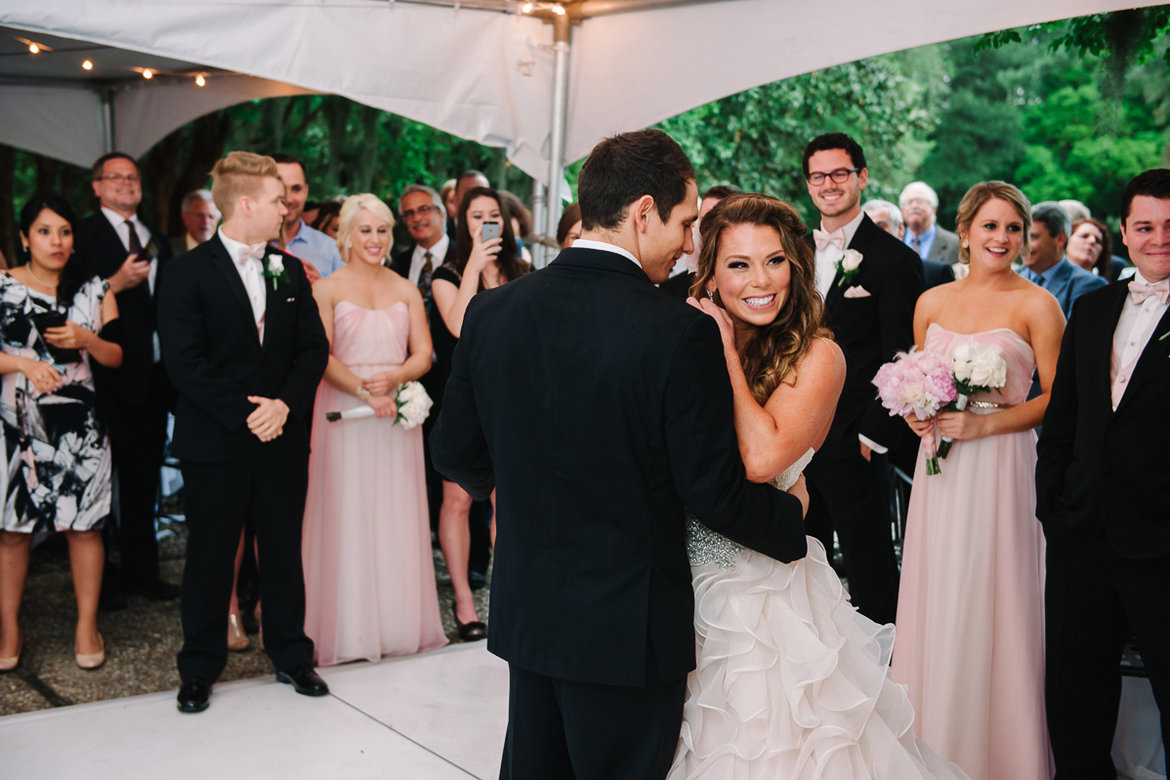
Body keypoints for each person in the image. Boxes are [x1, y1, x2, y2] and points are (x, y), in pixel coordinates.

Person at [431, 129, 809, 780]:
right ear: (642, 213)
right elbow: (710, 489)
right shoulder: (678, 331)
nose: (690, 244)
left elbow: (455, 452)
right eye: (686, 222)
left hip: (529, 609)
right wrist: (794, 521)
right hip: (625, 630)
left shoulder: (493, 312)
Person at [669, 192, 965, 779]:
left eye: (774, 261)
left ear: (796, 267)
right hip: (678, 577)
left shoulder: (819, 354)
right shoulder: (680, 334)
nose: (761, 280)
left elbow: (759, 456)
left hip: (761, 596)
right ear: (710, 274)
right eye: (738, 264)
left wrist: (723, 348)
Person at [892, 181, 1065, 779]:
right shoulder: (931, 301)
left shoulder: (1037, 305)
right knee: (940, 590)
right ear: (964, 231)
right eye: (990, 226)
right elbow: (919, 377)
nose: (1002, 239)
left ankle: (1004, 755)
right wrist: (918, 412)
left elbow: (1062, 399)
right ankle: (934, 746)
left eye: (1013, 229)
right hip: (940, 471)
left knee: (998, 595)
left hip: (1004, 466)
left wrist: (986, 427)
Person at [159, 151, 331, 714]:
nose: (288, 207)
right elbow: (184, 363)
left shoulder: (287, 268)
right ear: (247, 203)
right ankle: (199, 668)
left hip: (281, 436)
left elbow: (313, 349)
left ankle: (292, 655)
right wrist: (247, 412)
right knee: (210, 554)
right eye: (280, 198)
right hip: (216, 439)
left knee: (282, 549)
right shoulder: (186, 271)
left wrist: (282, 406)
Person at [1037, 168, 1170, 778]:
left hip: (1161, 542)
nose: (1158, 238)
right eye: (1145, 226)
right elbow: (1063, 417)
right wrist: (1054, 504)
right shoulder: (1091, 309)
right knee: (1076, 699)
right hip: (1081, 532)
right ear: (1125, 230)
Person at [301, 194, 447, 666]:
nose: (375, 239)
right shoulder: (326, 288)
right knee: (345, 510)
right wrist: (368, 393)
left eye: (382, 230)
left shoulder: (405, 288)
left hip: (395, 416)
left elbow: (423, 353)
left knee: (393, 511)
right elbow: (320, 357)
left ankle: (396, 626)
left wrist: (397, 379)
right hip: (344, 412)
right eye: (365, 230)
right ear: (345, 234)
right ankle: (346, 632)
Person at [800, 132, 923, 625]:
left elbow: (901, 353)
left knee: (869, 564)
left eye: (839, 173)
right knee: (805, 562)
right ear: (808, 184)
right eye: (818, 176)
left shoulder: (895, 260)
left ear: (861, 177)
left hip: (855, 439)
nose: (829, 184)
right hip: (795, 437)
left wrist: (873, 433)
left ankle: (884, 676)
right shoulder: (792, 254)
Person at [0, 195, 123, 672]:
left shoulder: (95, 289)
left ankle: (86, 624)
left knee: (84, 527)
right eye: (45, 231)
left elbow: (118, 356)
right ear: (25, 237)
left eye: (65, 231)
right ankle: (8, 625)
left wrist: (88, 340)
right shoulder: (4, 287)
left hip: (81, 429)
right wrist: (22, 363)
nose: (56, 241)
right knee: (12, 531)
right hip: (18, 426)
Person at [75, 152, 178, 606]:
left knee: (144, 477)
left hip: (155, 376)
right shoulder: (79, 235)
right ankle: (104, 578)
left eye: (133, 177)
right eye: (116, 177)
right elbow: (69, 299)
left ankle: (143, 571)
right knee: (101, 479)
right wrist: (113, 283)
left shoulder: (155, 236)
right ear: (97, 186)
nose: (127, 184)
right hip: (102, 375)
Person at [430, 186, 530, 641]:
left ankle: (504, 594)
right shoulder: (447, 273)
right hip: (468, 399)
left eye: (494, 215)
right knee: (458, 499)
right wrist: (474, 263)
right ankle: (465, 603)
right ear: (461, 222)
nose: (486, 223)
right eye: (477, 216)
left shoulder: (524, 271)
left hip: (514, 399)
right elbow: (458, 324)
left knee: (505, 502)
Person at [1019, 200, 1107, 319]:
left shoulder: (1088, 285)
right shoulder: (1008, 278)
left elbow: (1074, 336)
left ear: (1060, 239)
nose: (1022, 245)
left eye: (1032, 237)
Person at [270, 153, 343, 281]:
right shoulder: (249, 246)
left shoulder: (332, 250)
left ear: (306, 191)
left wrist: (322, 288)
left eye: (296, 189)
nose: (288, 199)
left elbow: (347, 298)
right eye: (280, 189)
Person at [865, 197, 954, 288]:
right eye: (866, 230)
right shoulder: (854, 272)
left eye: (880, 227)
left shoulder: (935, 274)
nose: (873, 234)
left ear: (900, 229)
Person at [171, 189, 220, 256]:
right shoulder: (168, 249)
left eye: (211, 217)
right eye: (200, 215)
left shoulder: (228, 253)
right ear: (185, 218)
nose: (206, 221)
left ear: (217, 221)